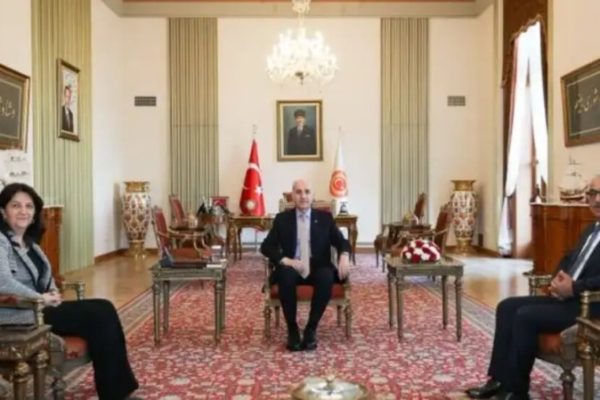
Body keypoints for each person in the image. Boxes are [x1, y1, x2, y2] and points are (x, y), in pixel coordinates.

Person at [465, 174, 600, 400]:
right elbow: (569, 258)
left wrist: (574, 288)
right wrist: (557, 280)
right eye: (593, 193)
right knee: (507, 307)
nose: (597, 200)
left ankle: (516, 392)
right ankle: (498, 381)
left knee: (525, 316)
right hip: (569, 297)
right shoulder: (590, 229)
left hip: (591, 307)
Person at [0, 183, 140, 400]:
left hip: (40, 309)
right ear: (3, 211)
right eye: (15, 206)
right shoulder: (1, 241)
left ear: (35, 213)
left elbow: (45, 278)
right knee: (98, 315)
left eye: (29, 206)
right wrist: (40, 298)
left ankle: (117, 390)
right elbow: (3, 282)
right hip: (18, 314)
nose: (23, 211)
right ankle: (116, 393)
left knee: (104, 307)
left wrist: (52, 292)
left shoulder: (31, 244)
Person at [260, 179, 350, 351]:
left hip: (318, 267)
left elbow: (342, 242)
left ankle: (311, 328)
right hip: (292, 266)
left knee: (326, 276)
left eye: (307, 192)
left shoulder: (325, 218)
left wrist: (344, 255)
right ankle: (292, 329)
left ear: (312, 195)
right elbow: (266, 246)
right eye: (299, 192)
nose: (303, 196)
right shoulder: (282, 219)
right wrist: (285, 260)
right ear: (293, 195)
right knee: (285, 275)